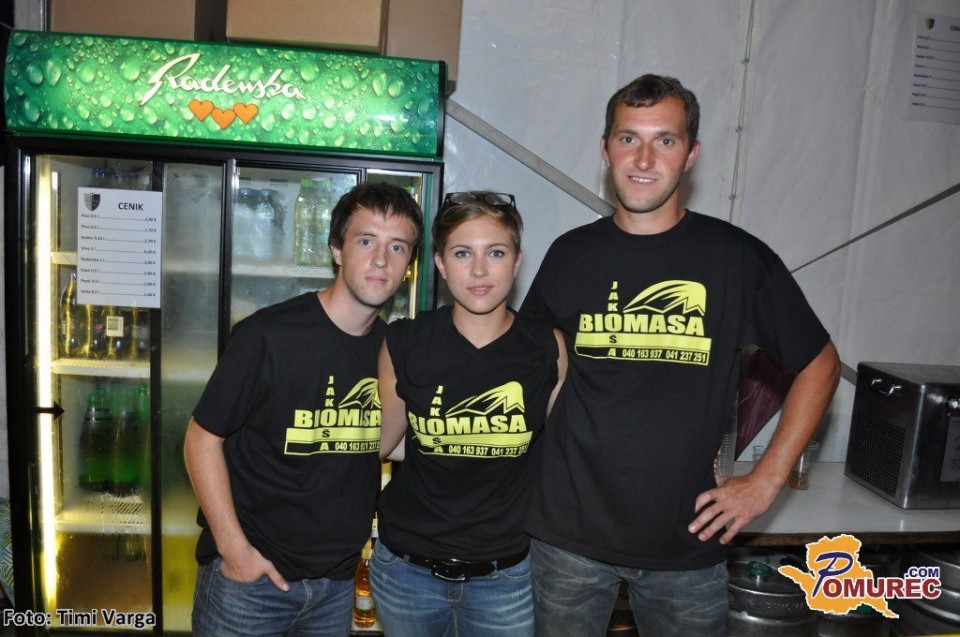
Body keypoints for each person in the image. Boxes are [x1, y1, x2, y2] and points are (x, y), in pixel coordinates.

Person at [520, 74, 841, 636]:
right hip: (567, 537)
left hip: (689, 540)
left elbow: (821, 363)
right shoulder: (570, 255)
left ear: (691, 155)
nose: (644, 159)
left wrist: (766, 480)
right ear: (605, 150)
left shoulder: (736, 259)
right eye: (628, 138)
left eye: (664, 140)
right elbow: (532, 371)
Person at [184, 182, 423, 637]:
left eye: (397, 246)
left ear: (409, 264)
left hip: (335, 587)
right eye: (366, 241)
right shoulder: (268, 335)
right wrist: (235, 551)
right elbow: (201, 439)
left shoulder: (393, 352)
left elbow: (383, 442)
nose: (381, 260)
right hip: (250, 586)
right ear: (336, 249)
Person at [370, 191, 567, 637]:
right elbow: (383, 443)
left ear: (517, 261)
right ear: (441, 264)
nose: (479, 270)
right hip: (405, 573)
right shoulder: (405, 342)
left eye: (495, 253)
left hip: (506, 579)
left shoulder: (547, 347)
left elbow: (561, 453)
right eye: (462, 254)